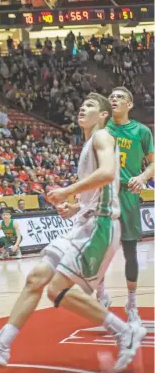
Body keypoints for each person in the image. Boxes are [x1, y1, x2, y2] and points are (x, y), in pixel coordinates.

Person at [0, 93, 146, 372]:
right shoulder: (88, 143)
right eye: (82, 104)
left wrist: (69, 191)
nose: (82, 107)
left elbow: (109, 173)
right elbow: (99, 189)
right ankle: (1, 343)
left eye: (90, 106)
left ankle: (123, 331)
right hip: (85, 221)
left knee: (57, 290)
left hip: (102, 224)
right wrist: (74, 206)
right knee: (36, 278)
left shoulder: (102, 137)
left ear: (103, 116)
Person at [97, 87, 154, 325]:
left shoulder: (141, 131)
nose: (114, 99)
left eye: (120, 97)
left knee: (130, 253)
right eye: (111, 97)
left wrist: (142, 177)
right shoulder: (102, 129)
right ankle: (100, 294)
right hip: (104, 195)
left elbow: (153, 163)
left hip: (128, 196)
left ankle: (132, 303)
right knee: (98, 250)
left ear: (130, 104)